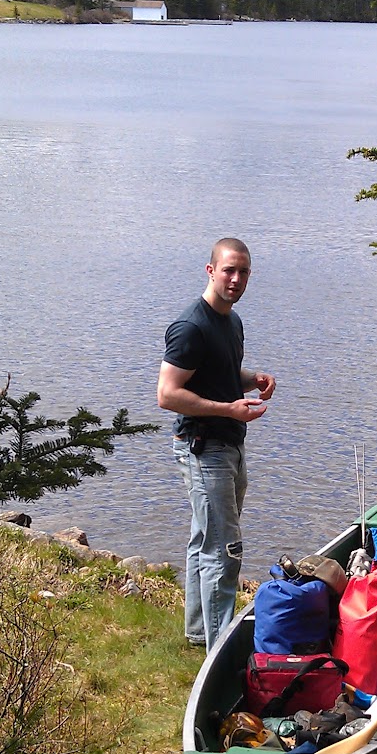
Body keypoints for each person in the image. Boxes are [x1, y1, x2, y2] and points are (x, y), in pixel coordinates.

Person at [157, 238, 277, 648]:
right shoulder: (191, 326)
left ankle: (196, 632)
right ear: (211, 270)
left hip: (230, 444)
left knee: (204, 540)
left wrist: (252, 379)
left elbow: (218, 371)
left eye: (243, 271)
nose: (236, 279)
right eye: (229, 270)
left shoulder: (231, 321)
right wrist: (229, 410)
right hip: (203, 448)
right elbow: (167, 394)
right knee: (224, 550)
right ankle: (219, 651)